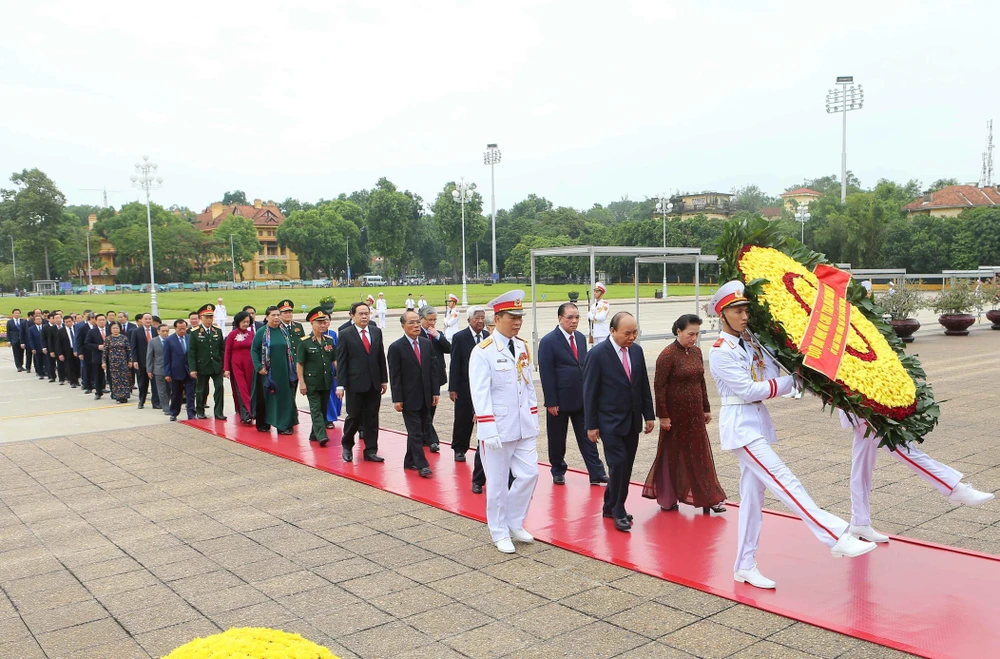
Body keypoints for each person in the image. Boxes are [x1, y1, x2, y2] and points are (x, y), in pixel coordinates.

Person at [707, 280, 876, 591]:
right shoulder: (720, 352)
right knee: (786, 481)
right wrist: (790, 382)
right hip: (741, 428)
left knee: (752, 500)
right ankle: (836, 535)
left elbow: (772, 373)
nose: (744, 316)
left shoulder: (751, 342)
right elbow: (747, 390)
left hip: (755, 423)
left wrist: (800, 371)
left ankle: (744, 564)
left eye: (746, 310)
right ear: (722, 314)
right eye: (737, 311)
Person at [469, 290, 540, 554]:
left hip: (523, 425)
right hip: (497, 427)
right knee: (497, 484)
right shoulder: (483, 351)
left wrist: (533, 419)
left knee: (530, 474)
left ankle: (514, 521)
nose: (518, 322)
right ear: (497, 318)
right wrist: (487, 429)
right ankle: (499, 531)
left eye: (520, 317)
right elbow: (480, 392)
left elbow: (528, 386)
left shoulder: (522, 346)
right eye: (513, 317)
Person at [643, 314, 726, 514]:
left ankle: (709, 497)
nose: (694, 338)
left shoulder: (697, 352)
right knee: (671, 455)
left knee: (700, 454)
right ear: (678, 331)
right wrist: (662, 415)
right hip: (674, 416)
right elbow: (659, 387)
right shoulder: (668, 354)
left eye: (697, 334)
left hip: (695, 414)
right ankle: (668, 497)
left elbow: (701, 382)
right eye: (690, 334)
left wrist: (706, 408)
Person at [583, 312, 655, 533]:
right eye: (627, 333)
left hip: (632, 420)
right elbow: (589, 392)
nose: (632, 337)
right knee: (619, 464)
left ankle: (608, 505)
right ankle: (618, 509)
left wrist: (649, 414)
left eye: (635, 332)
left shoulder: (637, 351)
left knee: (625, 467)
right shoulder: (597, 354)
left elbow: (642, 384)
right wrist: (591, 425)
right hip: (609, 422)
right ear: (612, 331)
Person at [539, 302, 608, 486]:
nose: (574, 321)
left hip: (581, 398)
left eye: (577, 317)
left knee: (589, 436)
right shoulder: (548, 341)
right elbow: (546, 373)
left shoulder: (579, 338)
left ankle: (596, 472)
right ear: (560, 318)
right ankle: (558, 470)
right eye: (570, 317)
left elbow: (582, 366)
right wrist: (551, 401)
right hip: (559, 401)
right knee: (557, 438)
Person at [388, 310, 439, 477]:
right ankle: (421, 464)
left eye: (417, 322)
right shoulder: (396, 347)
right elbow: (394, 375)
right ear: (403, 326)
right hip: (408, 397)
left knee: (421, 430)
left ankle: (409, 460)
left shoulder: (425, 344)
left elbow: (432, 370)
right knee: (415, 432)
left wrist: (435, 392)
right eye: (411, 323)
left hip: (425, 395)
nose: (416, 325)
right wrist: (397, 398)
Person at [336, 301, 388, 462]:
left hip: (374, 382)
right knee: (354, 416)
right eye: (360, 313)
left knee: (372, 417)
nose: (364, 316)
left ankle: (371, 450)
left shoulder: (376, 331)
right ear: (352, 316)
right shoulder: (345, 334)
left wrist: (384, 380)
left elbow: (380, 356)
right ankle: (347, 445)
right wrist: (340, 385)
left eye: (367, 313)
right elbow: (342, 361)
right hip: (355, 383)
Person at [449, 306, 488, 468]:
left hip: (483, 385)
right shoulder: (460, 337)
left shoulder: (488, 336)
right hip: (465, 386)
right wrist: (453, 387)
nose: (480, 321)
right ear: (469, 320)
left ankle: (483, 448)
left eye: (482, 318)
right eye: (477, 318)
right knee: (463, 419)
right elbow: (455, 363)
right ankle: (459, 448)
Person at [251, 306, 299, 435]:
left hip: (284, 371)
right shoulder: (262, 332)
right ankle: (264, 423)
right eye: (273, 315)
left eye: (278, 315)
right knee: (266, 398)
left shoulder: (284, 331)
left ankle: (284, 424)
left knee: (285, 398)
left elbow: (290, 350)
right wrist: (259, 367)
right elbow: (254, 350)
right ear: (267, 317)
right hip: (267, 372)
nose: (276, 318)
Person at [297, 307, 336, 446]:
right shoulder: (304, 342)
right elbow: (300, 364)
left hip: (326, 381)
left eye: (324, 322)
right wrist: (302, 383)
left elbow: (334, 360)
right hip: (311, 381)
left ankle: (314, 434)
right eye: (319, 322)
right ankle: (322, 436)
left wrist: (340, 377)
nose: (322, 325)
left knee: (323, 408)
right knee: (315, 409)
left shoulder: (329, 341)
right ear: (311, 323)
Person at [419, 305, 450, 453]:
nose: (432, 323)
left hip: (436, 376)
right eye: (429, 320)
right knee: (424, 409)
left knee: (432, 407)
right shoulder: (416, 334)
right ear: (421, 319)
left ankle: (425, 435)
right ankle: (431, 439)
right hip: (422, 377)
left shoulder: (437, 334)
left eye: (434, 320)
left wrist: (438, 336)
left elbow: (450, 349)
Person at [188, 303, 227, 421]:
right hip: (202, 366)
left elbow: (222, 350)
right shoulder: (194, 332)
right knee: (201, 390)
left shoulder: (217, 331)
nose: (209, 320)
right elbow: (192, 352)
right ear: (201, 318)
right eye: (207, 317)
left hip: (216, 365)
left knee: (219, 388)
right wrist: (193, 369)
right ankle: (200, 410)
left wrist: (224, 366)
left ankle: (219, 412)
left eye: (211, 317)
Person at [225, 311, 256, 424]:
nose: (246, 324)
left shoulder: (251, 334)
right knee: (241, 390)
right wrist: (226, 369)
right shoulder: (232, 335)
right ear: (238, 322)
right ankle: (246, 414)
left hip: (250, 365)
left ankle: (252, 412)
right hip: (237, 365)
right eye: (244, 322)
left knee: (250, 389)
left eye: (248, 322)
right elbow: (227, 352)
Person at [163, 319, 195, 421]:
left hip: (189, 371)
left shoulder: (190, 338)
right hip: (176, 371)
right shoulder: (169, 340)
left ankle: (191, 413)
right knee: (176, 394)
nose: (182, 331)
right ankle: (174, 412)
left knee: (190, 394)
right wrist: (167, 373)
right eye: (180, 329)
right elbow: (166, 358)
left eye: (184, 328)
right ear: (175, 328)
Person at [129, 313, 156, 409]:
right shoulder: (136, 331)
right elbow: (133, 347)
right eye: (146, 319)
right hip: (142, 361)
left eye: (150, 319)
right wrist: (134, 360)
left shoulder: (155, 330)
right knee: (142, 383)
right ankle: (141, 401)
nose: (148, 320)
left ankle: (156, 402)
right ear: (142, 320)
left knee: (155, 384)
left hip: (154, 361)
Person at [147, 323, 171, 417]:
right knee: (161, 390)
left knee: (169, 389)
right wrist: (149, 370)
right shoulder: (153, 342)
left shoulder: (171, 340)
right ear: (158, 332)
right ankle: (165, 407)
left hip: (170, 369)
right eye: (163, 331)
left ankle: (167, 403)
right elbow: (149, 356)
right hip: (158, 369)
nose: (165, 333)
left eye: (167, 331)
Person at [104, 322, 132, 403]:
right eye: (113, 328)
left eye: (117, 328)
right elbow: (105, 351)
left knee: (124, 379)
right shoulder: (108, 339)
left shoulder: (124, 338)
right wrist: (104, 362)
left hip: (123, 362)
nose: (115, 330)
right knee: (116, 380)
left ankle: (125, 396)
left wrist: (130, 360)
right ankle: (117, 396)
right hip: (113, 363)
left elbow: (128, 350)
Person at [323, 321, 343, 428]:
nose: (324, 324)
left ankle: (333, 415)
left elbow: (337, 353)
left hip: (333, 370)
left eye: (326, 320)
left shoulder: (332, 335)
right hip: (321, 371)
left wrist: (338, 370)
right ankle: (328, 419)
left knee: (335, 395)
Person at [85, 314, 108, 399]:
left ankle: (113, 391)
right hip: (98, 356)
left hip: (110, 356)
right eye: (100, 320)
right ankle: (98, 392)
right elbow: (87, 343)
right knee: (98, 375)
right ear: (96, 321)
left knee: (111, 375)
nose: (102, 322)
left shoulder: (110, 330)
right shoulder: (92, 331)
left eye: (103, 320)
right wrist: (97, 346)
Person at [55, 313, 80, 388]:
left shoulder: (77, 328)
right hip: (67, 350)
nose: (68, 323)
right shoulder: (61, 331)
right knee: (70, 366)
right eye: (66, 322)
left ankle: (77, 379)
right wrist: (60, 354)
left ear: (73, 321)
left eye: (69, 321)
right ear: (64, 322)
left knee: (78, 366)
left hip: (77, 349)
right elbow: (58, 343)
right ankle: (73, 381)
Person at [75, 312, 95, 393]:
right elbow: (79, 341)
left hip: (95, 351)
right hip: (86, 352)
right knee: (87, 369)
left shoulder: (97, 327)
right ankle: (87, 385)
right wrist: (80, 352)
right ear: (91, 319)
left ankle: (98, 385)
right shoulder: (83, 328)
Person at [26, 311, 47, 380]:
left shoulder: (45, 327)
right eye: (37, 319)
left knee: (45, 360)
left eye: (40, 319)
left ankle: (45, 371)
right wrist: (33, 348)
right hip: (37, 347)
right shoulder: (31, 329)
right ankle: (40, 372)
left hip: (44, 347)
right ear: (34, 321)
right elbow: (30, 339)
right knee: (39, 361)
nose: (39, 320)